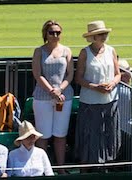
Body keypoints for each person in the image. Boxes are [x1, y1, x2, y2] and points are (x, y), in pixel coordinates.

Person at [76, 20, 120, 166]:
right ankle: (85, 170)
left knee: (109, 135)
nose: (104, 36)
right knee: (89, 136)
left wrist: (112, 84)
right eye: (100, 34)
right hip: (90, 101)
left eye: (105, 34)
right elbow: (79, 78)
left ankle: (105, 167)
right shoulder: (84, 53)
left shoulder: (111, 50)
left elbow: (117, 74)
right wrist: (95, 87)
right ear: (93, 37)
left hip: (110, 100)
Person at [31, 20, 73, 167]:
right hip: (42, 98)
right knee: (43, 136)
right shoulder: (39, 51)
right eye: (52, 32)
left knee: (60, 135)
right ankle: (43, 168)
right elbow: (38, 74)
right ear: (45, 34)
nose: (55, 35)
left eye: (58, 32)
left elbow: (70, 74)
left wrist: (59, 90)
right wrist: (51, 91)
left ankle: (60, 168)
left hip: (63, 98)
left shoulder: (67, 50)